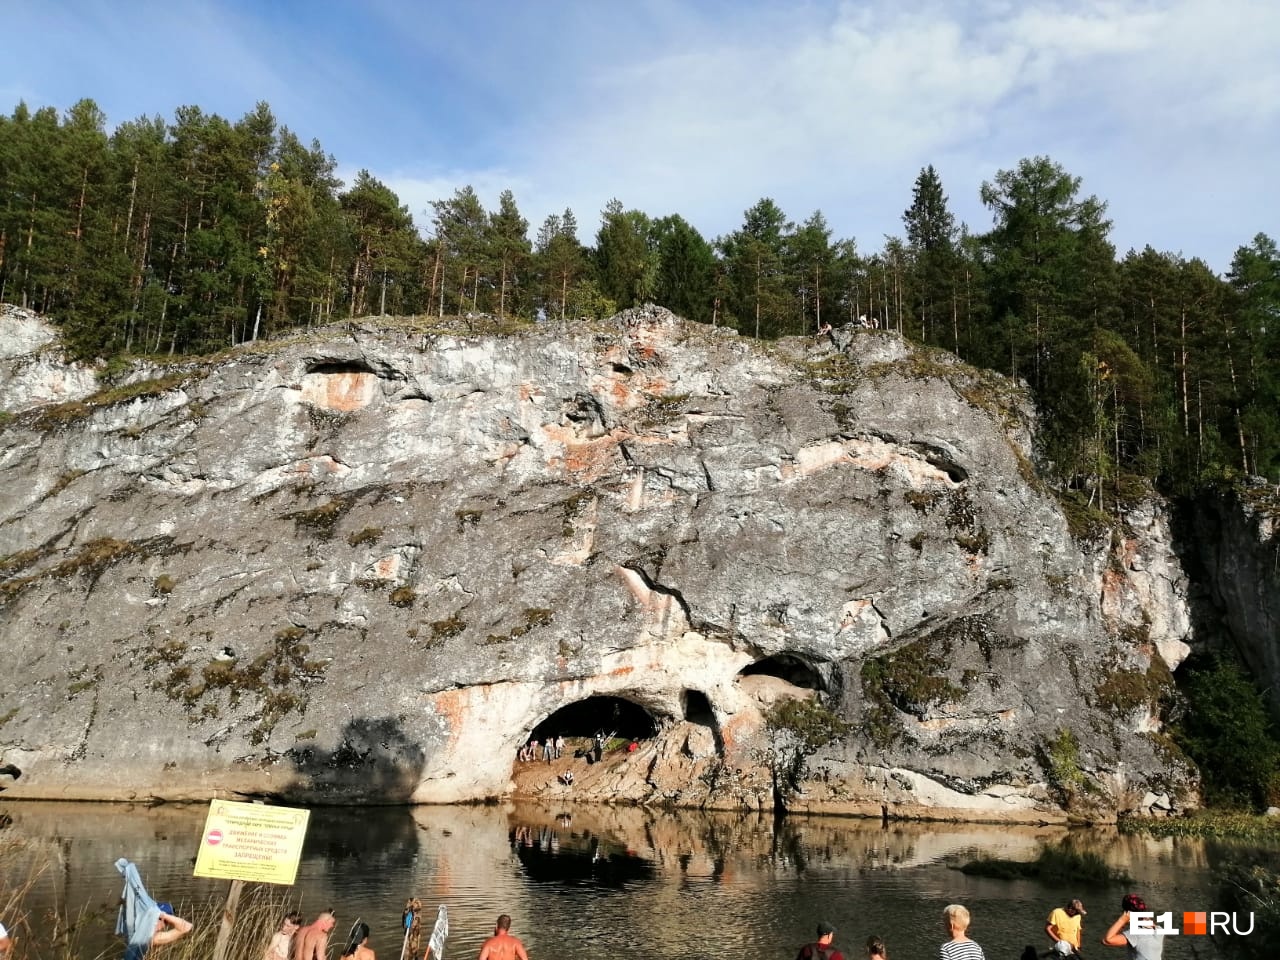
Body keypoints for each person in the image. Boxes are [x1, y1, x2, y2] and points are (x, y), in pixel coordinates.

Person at [1102, 893, 1163, 959]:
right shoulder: (1159, 930)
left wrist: (1122, 920)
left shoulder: (1135, 934)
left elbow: (1107, 940)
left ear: (1126, 913)